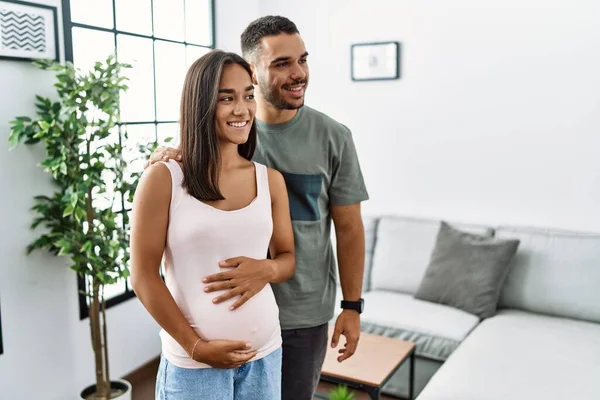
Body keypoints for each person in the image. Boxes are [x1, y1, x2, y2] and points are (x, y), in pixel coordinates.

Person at [147, 16, 369, 399]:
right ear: (252, 70)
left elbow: (349, 229)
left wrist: (352, 305)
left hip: (303, 313)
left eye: (303, 59)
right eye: (282, 63)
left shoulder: (334, 137)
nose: (298, 73)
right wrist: (172, 152)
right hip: (223, 321)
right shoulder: (230, 131)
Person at [130, 50, 295, 400]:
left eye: (249, 95)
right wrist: (195, 347)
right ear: (200, 104)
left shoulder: (270, 180)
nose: (242, 109)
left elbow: (287, 259)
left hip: (264, 356)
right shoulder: (164, 178)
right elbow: (143, 276)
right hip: (194, 369)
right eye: (226, 98)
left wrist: (265, 269)